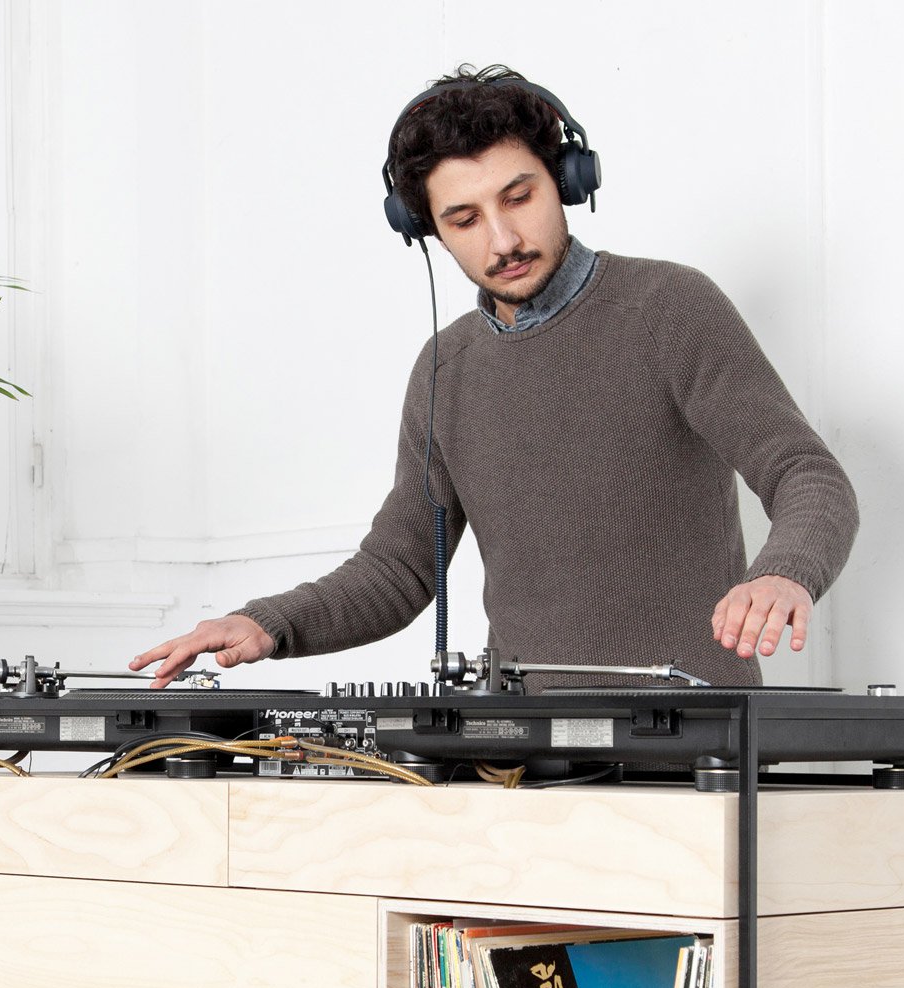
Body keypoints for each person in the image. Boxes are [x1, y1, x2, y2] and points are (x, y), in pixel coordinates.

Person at [130, 65, 858, 690]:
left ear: (565, 182)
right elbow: (400, 567)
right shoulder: (445, 367)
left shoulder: (669, 307)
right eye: (465, 219)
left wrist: (784, 571)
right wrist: (267, 623)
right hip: (521, 759)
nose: (503, 240)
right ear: (427, 231)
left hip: (693, 748)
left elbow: (805, 473)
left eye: (518, 197)